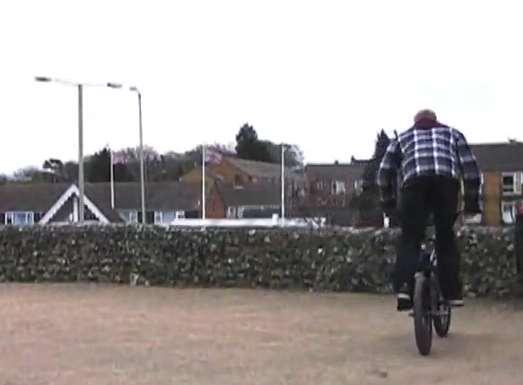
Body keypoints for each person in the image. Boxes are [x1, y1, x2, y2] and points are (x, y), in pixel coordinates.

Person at [377, 109, 481, 311]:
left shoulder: (403, 138)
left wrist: (389, 204)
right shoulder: (453, 134)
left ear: (415, 122)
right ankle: (452, 293)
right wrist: (471, 203)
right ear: (436, 121)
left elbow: (383, 173)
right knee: (445, 237)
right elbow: (471, 170)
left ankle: (405, 290)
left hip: (413, 186)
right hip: (446, 185)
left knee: (410, 238)